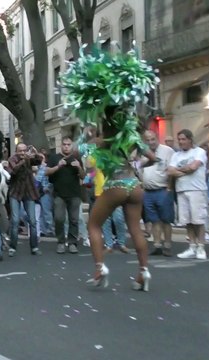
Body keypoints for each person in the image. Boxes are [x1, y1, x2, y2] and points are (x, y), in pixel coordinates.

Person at [60, 46, 160, 291]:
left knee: (94, 225)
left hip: (114, 186)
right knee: (135, 229)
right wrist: (137, 165)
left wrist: (85, 136)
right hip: (134, 186)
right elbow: (152, 157)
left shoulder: (98, 141)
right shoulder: (130, 135)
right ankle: (143, 272)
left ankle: (100, 269)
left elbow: (73, 153)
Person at [168, 129, 209, 260]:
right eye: (179, 139)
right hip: (181, 190)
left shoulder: (199, 152)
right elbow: (170, 171)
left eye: (183, 139)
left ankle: (201, 247)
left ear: (190, 139)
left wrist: (179, 170)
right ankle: (192, 246)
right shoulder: (176, 155)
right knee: (187, 221)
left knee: (198, 220)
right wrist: (185, 170)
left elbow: (193, 167)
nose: (181, 142)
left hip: (196, 189)